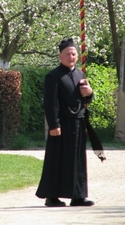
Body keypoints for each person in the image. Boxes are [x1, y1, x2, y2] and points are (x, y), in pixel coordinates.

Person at [35, 38, 95, 207]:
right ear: (60, 56)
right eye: (67, 54)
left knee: (78, 161)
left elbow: (86, 99)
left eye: (73, 54)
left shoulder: (80, 75)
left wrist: (89, 93)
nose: (71, 57)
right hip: (61, 125)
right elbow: (50, 102)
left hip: (78, 123)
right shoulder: (53, 76)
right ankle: (52, 196)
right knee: (58, 160)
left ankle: (78, 196)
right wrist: (54, 125)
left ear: (77, 56)